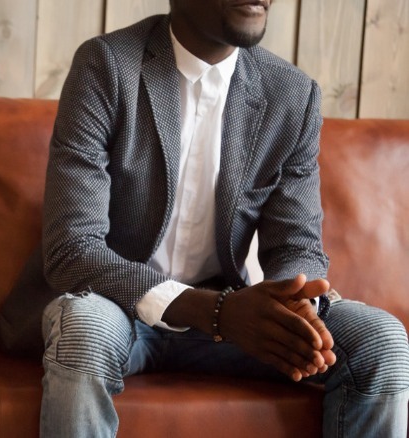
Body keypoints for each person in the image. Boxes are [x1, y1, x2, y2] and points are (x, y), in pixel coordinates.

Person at [24, 1, 409, 436]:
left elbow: (296, 245)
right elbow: (72, 248)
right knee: (83, 328)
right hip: (120, 307)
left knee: (381, 340)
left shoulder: (291, 94)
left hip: (230, 322)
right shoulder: (108, 66)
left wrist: (294, 306)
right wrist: (220, 313)